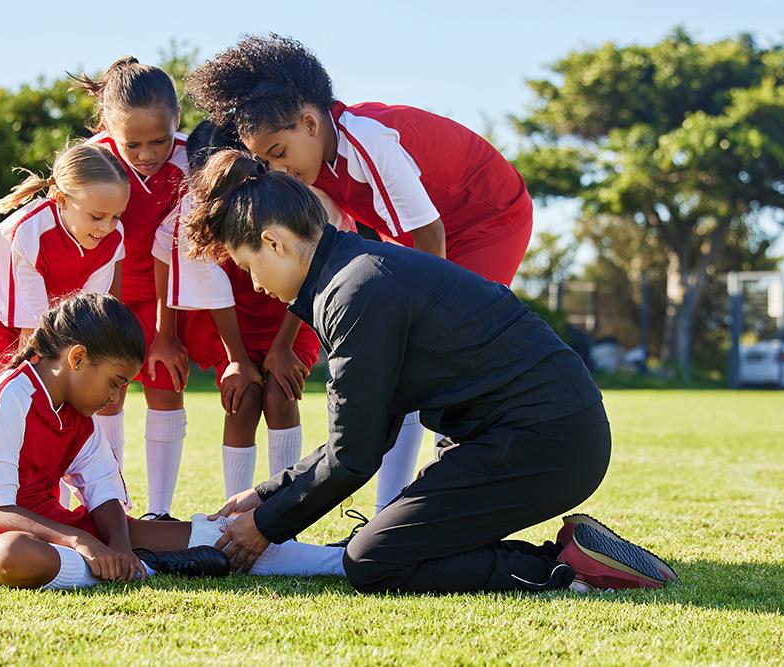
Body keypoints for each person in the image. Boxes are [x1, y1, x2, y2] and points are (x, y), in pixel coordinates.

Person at [185, 150, 678, 594]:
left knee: (372, 561)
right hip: (522, 431)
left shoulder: (355, 290)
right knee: (390, 539)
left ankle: (567, 567)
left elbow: (354, 455)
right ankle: (579, 552)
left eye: (246, 265)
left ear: (274, 243)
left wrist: (266, 524)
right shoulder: (354, 271)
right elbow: (362, 436)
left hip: (546, 438)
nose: (253, 284)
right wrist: (265, 494)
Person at [186, 34, 536, 518]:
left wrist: (421, 322)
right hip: (424, 232)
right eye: (263, 161)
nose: (275, 169)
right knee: (398, 364)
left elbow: (429, 235)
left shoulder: (367, 139)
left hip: (485, 218)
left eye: (278, 151)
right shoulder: (313, 168)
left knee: (433, 355)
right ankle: (390, 507)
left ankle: (429, 492)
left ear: (310, 123)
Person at [0, 293, 347, 590]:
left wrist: (118, 545)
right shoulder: (8, 398)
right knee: (14, 557)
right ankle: (154, 567)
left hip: (64, 531)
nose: (115, 399)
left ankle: (340, 561)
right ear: (77, 359)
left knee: (221, 535)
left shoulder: (79, 411)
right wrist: (84, 542)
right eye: (114, 384)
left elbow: (102, 493)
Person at [153, 120, 321, 499]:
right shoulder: (193, 213)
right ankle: (235, 509)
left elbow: (309, 271)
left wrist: (281, 350)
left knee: (281, 390)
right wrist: (238, 360)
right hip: (225, 321)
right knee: (242, 397)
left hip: (290, 314)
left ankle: (282, 509)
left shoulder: (288, 196)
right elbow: (202, 283)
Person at [72, 57, 194, 520]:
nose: (147, 154)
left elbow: (179, 250)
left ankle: (159, 511)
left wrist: (167, 332)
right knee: (105, 391)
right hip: (103, 292)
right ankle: (108, 503)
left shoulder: (191, 159)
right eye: (134, 144)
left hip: (170, 294)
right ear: (107, 126)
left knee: (165, 382)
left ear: (177, 122)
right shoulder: (91, 160)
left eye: (159, 140)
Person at [0, 142, 128, 400]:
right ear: (61, 200)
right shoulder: (29, 230)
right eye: (96, 216)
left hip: (51, 304)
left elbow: (85, 309)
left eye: (116, 216)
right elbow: (32, 330)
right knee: (5, 385)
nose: (107, 227)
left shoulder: (114, 239)